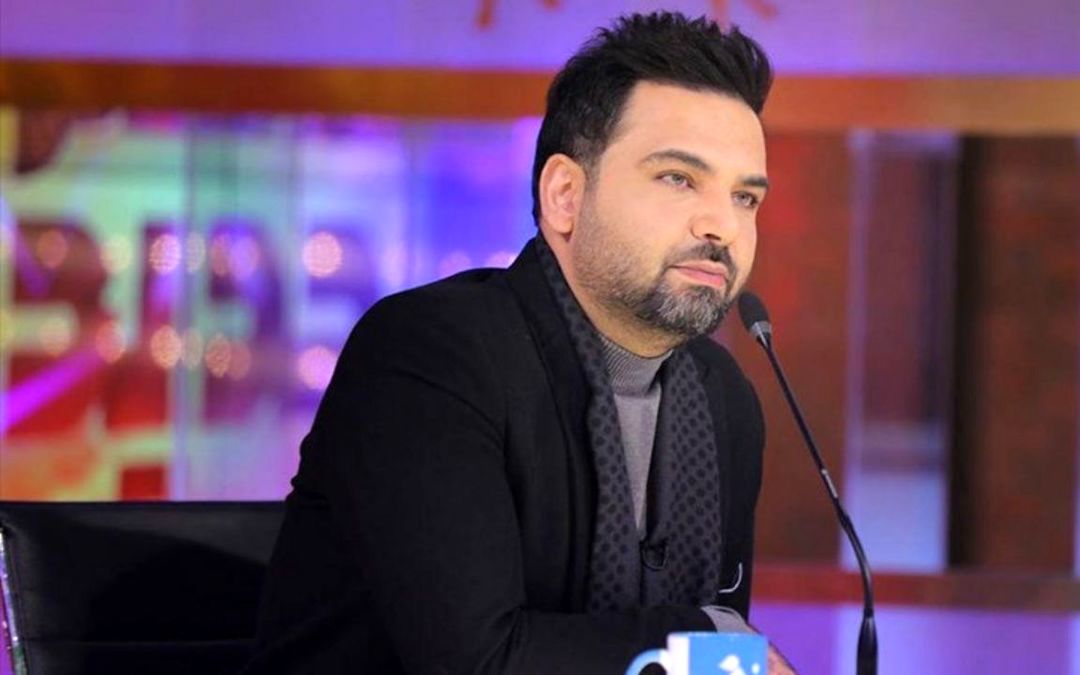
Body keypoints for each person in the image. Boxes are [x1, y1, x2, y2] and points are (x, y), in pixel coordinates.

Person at [246, 11, 794, 674]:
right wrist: (702, 637)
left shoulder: (724, 398)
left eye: (745, 198)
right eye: (679, 178)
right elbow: (480, 663)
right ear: (565, 195)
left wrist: (716, 648)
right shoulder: (431, 353)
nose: (722, 226)